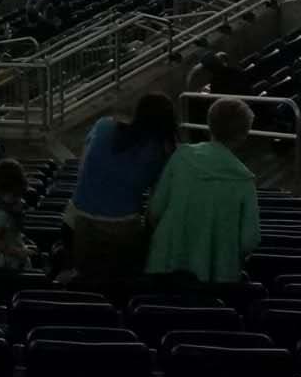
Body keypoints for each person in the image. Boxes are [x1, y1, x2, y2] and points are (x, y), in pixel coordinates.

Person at [144, 96, 260, 281]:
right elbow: (249, 240)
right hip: (216, 276)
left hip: (166, 263)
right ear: (243, 135)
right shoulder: (244, 180)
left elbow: (156, 209)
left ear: (209, 124)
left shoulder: (181, 157)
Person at [64, 94, 178, 279]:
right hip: (122, 230)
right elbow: (155, 208)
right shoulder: (160, 153)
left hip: (77, 223)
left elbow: (83, 168)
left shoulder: (103, 126)